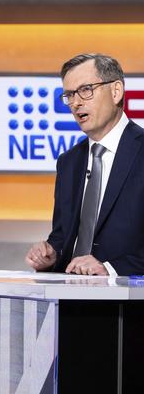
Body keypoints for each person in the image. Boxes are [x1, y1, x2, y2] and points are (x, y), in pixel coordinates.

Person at [26, 53, 144, 276]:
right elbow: (62, 236)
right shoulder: (69, 161)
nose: (75, 103)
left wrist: (109, 269)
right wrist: (51, 254)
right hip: (68, 300)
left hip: (127, 303)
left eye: (86, 90)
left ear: (116, 91)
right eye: (69, 95)